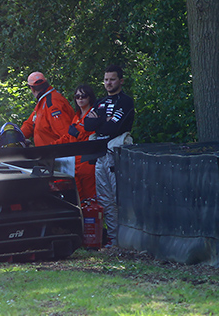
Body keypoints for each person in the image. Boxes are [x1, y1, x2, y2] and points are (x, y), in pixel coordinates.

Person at [84, 65, 135, 249]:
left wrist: (101, 121)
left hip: (116, 154)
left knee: (119, 197)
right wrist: (102, 119)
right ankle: (114, 241)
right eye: (106, 79)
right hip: (100, 154)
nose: (108, 83)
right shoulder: (100, 102)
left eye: (112, 79)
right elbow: (87, 124)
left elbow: (114, 127)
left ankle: (128, 240)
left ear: (120, 80)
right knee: (105, 199)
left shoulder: (126, 101)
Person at [54, 84, 97, 202]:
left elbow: (94, 139)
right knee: (78, 198)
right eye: (77, 96)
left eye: (83, 96)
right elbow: (68, 137)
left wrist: (78, 135)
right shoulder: (76, 116)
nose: (80, 99)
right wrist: (51, 147)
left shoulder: (93, 115)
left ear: (90, 97)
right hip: (74, 163)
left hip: (87, 162)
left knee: (91, 199)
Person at [20, 71, 75, 147]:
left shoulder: (52, 103)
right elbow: (30, 124)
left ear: (32, 89)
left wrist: (49, 149)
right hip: (47, 153)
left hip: (56, 154)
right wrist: (16, 138)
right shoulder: (43, 101)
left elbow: (66, 135)